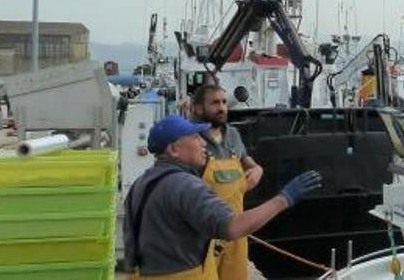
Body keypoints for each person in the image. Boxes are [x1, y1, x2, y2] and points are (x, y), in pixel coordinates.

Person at [123, 115, 322, 279]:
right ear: (174, 149)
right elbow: (233, 227)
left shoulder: (140, 185)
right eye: (195, 137)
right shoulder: (187, 185)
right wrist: (284, 198)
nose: (203, 143)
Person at [190, 84, 264, 280]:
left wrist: (257, 169)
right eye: (215, 103)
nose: (222, 107)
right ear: (197, 108)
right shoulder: (190, 139)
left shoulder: (233, 135)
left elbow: (247, 161)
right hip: (204, 235)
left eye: (223, 102)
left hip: (236, 232)